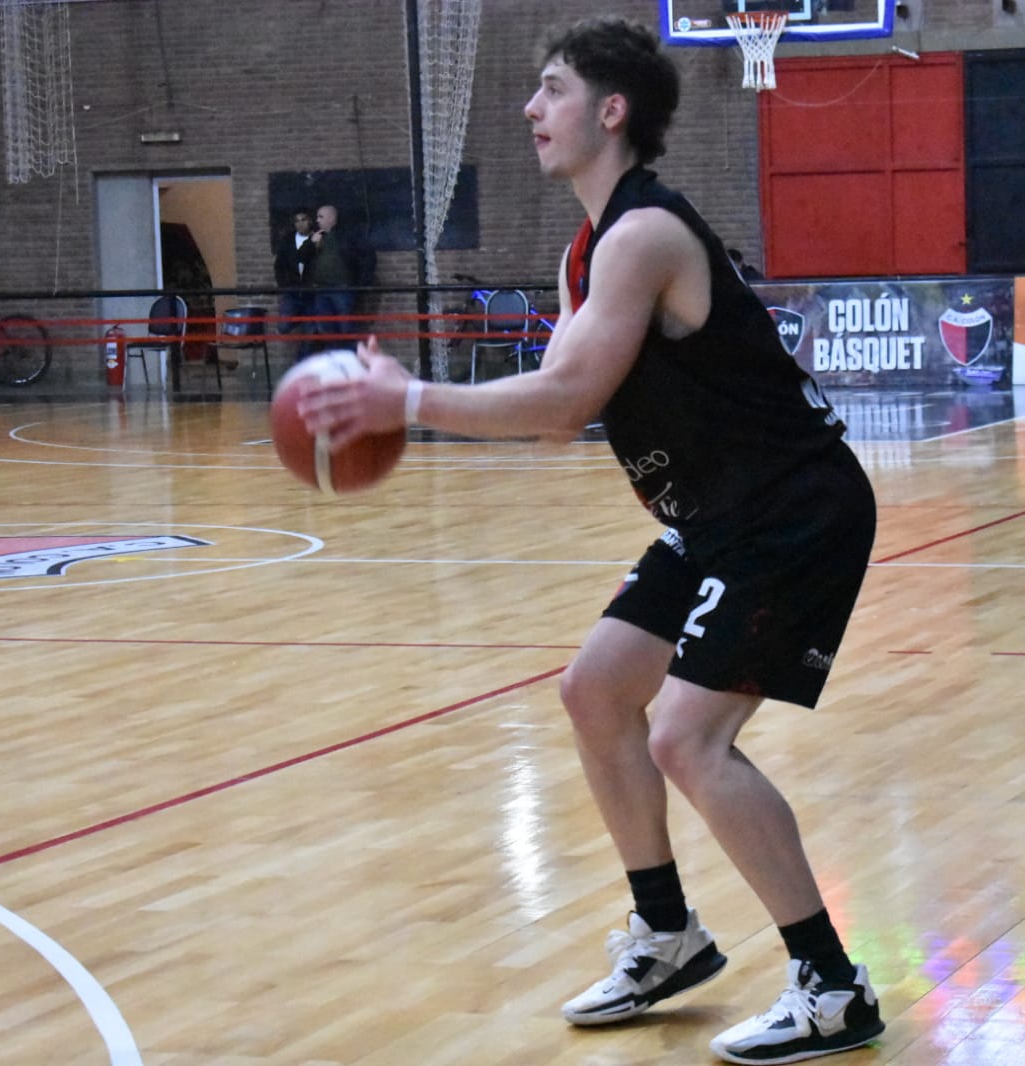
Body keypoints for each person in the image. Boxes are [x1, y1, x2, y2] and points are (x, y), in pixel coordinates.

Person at [297, 16, 884, 1065]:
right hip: (713, 518)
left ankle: (832, 986)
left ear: (611, 111)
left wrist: (408, 399)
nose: (532, 108)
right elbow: (554, 407)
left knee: (687, 739)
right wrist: (415, 400)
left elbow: (566, 399)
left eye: (553, 88)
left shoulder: (645, 235)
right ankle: (667, 934)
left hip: (792, 509)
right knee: (596, 691)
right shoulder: (589, 249)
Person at [306, 203, 359, 351]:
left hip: (342, 288)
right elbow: (302, 261)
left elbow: (361, 258)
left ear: (331, 218)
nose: (317, 220)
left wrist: (359, 283)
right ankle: (335, 359)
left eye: (321, 217)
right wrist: (312, 246)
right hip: (321, 290)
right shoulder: (315, 238)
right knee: (325, 328)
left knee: (346, 327)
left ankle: (351, 360)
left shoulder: (346, 237)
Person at [273, 206, 317, 361]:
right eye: (297, 221)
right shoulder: (287, 241)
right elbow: (279, 266)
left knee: (310, 333)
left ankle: (302, 362)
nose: (300, 224)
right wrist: (284, 285)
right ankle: (302, 318)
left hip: (311, 293)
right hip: (292, 291)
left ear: (310, 221)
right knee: (283, 326)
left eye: (303, 220)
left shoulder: (318, 239)